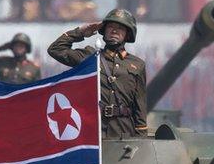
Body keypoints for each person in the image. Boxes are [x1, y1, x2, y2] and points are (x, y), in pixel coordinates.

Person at [48, 8, 147, 138]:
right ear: (104, 30)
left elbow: (139, 105)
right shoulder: (90, 56)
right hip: (92, 127)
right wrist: (81, 32)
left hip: (123, 130)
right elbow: (55, 50)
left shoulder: (137, 64)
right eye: (110, 26)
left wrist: (141, 139)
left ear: (128, 34)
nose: (115, 30)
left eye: (120, 28)